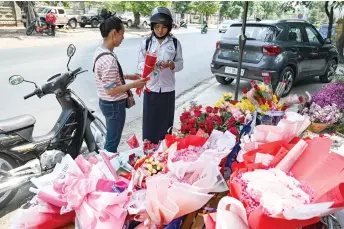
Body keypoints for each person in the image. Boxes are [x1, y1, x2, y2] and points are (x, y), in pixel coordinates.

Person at [93, 16, 148, 153]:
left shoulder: (100, 52)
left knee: (111, 137)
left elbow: (107, 78)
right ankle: (107, 166)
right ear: (114, 34)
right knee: (112, 142)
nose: (123, 38)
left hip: (106, 103)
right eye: (122, 34)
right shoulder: (109, 59)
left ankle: (107, 162)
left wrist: (129, 77)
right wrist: (134, 84)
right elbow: (110, 90)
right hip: (113, 105)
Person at [137, 7, 184, 144]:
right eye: (157, 27)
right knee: (150, 124)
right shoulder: (146, 43)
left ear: (169, 28)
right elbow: (139, 66)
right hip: (151, 89)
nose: (160, 30)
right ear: (153, 27)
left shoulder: (175, 43)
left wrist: (172, 65)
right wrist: (150, 65)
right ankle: (148, 151)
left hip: (168, 90)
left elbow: (180, 64)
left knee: (165, 125)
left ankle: (163, 151)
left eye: (164, 27)